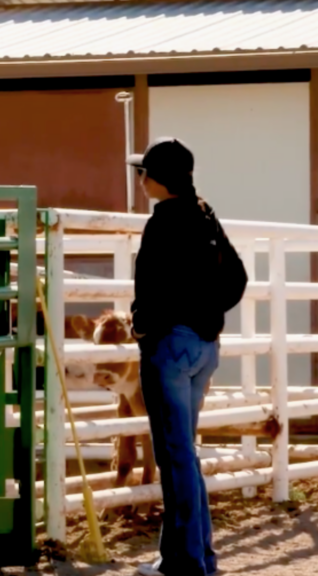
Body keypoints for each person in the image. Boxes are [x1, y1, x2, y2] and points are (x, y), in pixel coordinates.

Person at [128, 137, 247, 576]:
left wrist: (143, 324)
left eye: (144, 173)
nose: (140, 180)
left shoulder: (162, 222)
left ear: (158, 179)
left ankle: (187, 562)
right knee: (184, 453)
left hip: (170, 348)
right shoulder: (205, 215)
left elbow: (151, 286)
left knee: (175, 454)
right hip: (203, 346)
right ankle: (190, 554)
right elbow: (237, 276)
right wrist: (207, 314)